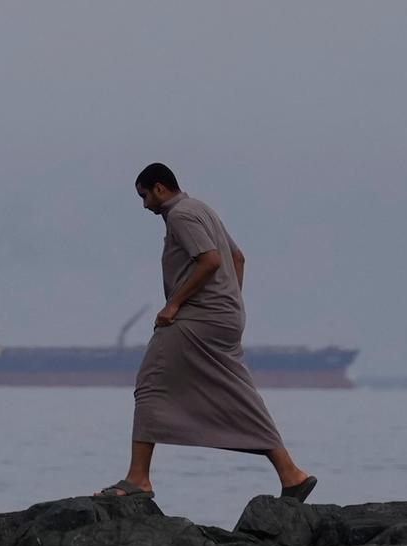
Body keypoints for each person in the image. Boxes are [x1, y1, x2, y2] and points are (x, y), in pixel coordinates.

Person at [97, 162, 317, 503]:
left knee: (151, 382)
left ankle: (138, 478)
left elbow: (212, 260)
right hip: (224, 318)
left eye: (144, 196)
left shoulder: (180, 215)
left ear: (159, 188)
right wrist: (230, 303)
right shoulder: (202, 208)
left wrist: (173, 305)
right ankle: (292, 474)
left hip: (196, 318)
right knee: (239, 393)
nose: (144, 206)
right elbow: (238, 258)